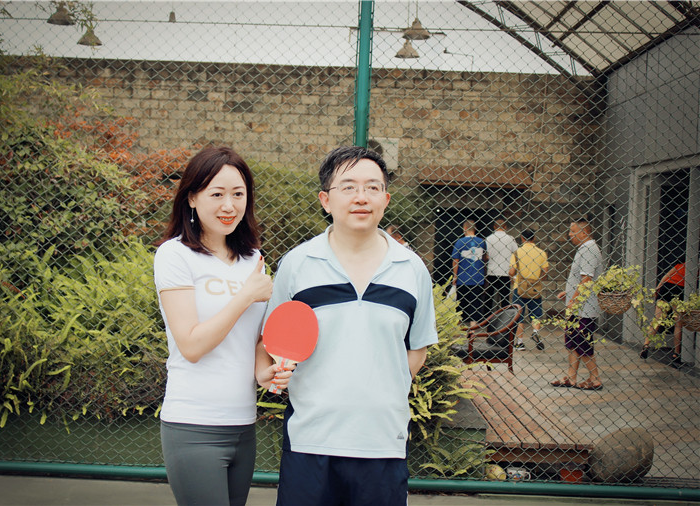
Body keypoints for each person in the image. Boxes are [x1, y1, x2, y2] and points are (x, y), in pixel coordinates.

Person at [265, 146, 438, 506]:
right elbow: (272, 341)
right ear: (326, 200)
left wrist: (377, 388)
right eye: (348, 187)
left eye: (372, 187)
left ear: (385, 199)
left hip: (383, 444)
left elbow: (416, 349)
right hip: (310, 442)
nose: (361, 197)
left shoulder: (412, 269)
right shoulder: (297, 264)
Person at [153, 146, 290, 506]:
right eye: (217, 194)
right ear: (192, 197)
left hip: (243, 425)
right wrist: (244, 296)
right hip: (193, 424)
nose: (229, 205)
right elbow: (192, 346)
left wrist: (264, 371)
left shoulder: (252, 259)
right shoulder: (174, 254)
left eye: (238, 194)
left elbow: (253, 339)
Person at [551, 218, 604, 391]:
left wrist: (573, 300)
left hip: (584, 308)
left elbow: (587, 279)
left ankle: (595, 379)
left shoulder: (589, 250)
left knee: (582, 342)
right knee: (573, 340)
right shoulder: (584, 249)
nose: (569, 235)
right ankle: (571, 377)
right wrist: (568, 292)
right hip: (579, 306)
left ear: (584, 232)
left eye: (573, 231)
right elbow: (581, 279)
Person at [508, 229, 549, 351]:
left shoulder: (517, 252)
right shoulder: (541, 253)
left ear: (522, 238)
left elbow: (511, 272)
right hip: (535, 288)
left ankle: (519, 343)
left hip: (520, 287)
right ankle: (535, 332)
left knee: (519, 315)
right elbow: (545, 272)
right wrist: (537, 280)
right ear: (534, 238)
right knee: (536, 314)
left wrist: (513, 278)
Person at [642, 262, 686, 367]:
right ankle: (676, 353)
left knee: (657, 319)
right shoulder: (694, 269)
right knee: (678, 323)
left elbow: (666, 276)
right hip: (680, 290)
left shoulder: (680, 265)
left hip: (666, 287)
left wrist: (658, 288)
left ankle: (646, 344)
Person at [452, 219, 488, 326]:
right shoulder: (481, 242)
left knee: (460, 304)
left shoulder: (460, 242)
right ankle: (473, 327)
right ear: (475, 229)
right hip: (477, 277)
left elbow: (456, 260)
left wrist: (455, 276)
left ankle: (458, 326)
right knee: (475, 304)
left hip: (462, 278)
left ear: (465, 228)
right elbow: (485, 258)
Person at [485, 218, 518, 313]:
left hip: (491, 271)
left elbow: (486, 255)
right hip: (505, 272)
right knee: (505, 299)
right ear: (505, 227)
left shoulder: (489, 239)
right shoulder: (510, 239)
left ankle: (487, 317)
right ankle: (505, 317)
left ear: (494, 227)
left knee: (488, 299)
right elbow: (516, 254)